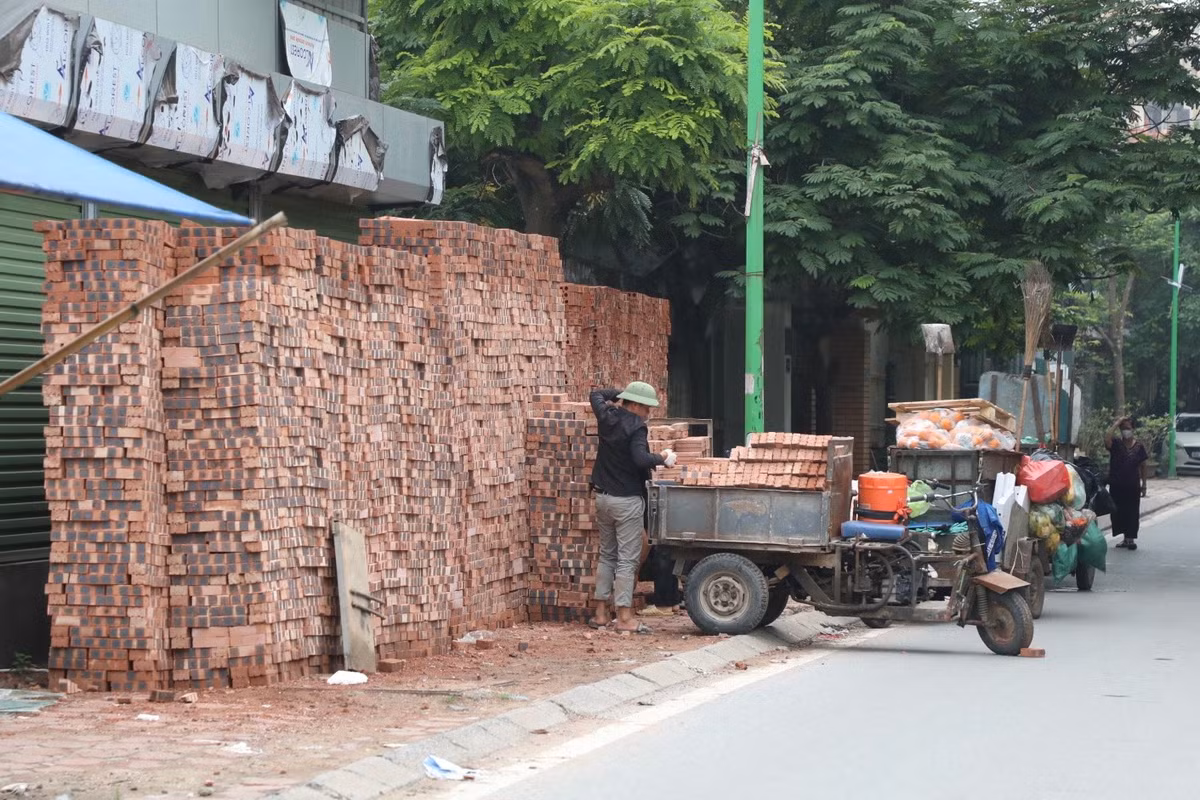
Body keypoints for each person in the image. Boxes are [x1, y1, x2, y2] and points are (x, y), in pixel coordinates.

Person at [589, 382, 676, 634]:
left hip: (603, 498)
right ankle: (625, 617)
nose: (648, 413)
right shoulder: (637, 427)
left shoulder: (607, 416)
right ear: (636, 404)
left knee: (607, 555)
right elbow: (640, 459)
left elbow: (596, 394)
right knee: (627, 560)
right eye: (646, 408)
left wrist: (621, 394)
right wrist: (663, 458)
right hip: (626, 501)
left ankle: (601, 614)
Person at [1106, 416, 1148, 550]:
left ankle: (1130, 539)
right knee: (1118, 512)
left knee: (1132, 512)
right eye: (1123, 429)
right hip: (1117, 485)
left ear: (1133, 429)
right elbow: (1106, 440)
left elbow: (1143, 465)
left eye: (1128, 428)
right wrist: (1116, 423)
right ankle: (1125, 538)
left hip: (1133, 486)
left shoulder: (1139, 446)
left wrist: (1144, 484)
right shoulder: (1116, 444)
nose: (1125, 431)